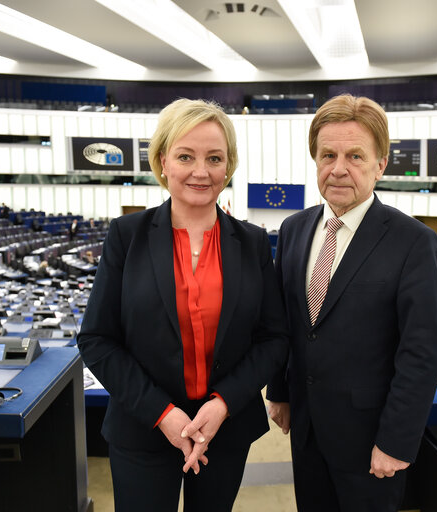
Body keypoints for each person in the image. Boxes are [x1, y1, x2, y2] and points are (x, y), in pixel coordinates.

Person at [77, 98, 288, 512]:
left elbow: (273, 339)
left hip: (224, 431)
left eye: (214, 158)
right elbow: (98, 339)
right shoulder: (126, 236)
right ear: (162, 161)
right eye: (185, 156)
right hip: (143, 428)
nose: (201, 171)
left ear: (228, 166)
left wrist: (223, 403)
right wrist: (164, 414)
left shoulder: (253, 243)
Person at [266, 94, 437, 512]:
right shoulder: (294, 229)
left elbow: (421, 353)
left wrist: (396, 442)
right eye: (327, 154)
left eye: (355, 155)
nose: (338, 168)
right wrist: (279, 390)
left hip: (372, 442)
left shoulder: (414, 243)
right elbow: (285, 322)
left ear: (380, 164)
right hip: (307, 429)